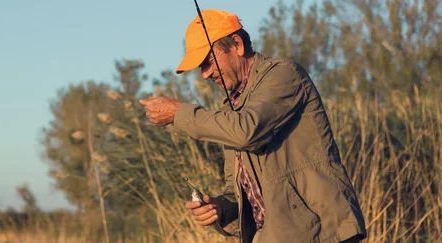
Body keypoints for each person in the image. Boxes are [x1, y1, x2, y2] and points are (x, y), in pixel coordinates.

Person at [139, 8, 367, 243]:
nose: (205, 74)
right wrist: (221, 209)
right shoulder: (230, 111)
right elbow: (239, 190)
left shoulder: (284, 75)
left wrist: (179, 113)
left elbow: (247, 131)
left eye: (208, 61)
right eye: (200, 68)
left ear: (237, 44)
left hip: (324, 234)